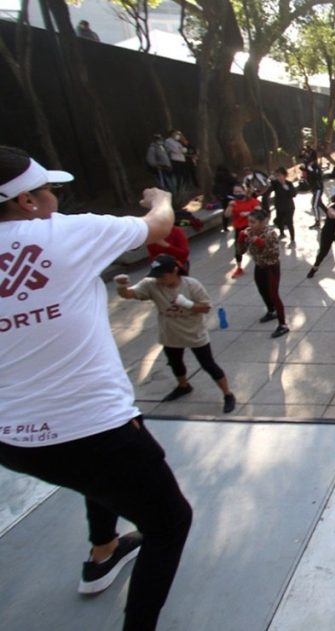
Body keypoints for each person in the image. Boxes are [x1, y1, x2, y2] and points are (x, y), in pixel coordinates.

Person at [0, 147, 191, 631]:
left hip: (12, 440)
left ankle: (103, 553)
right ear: (26, 201)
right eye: (49, 191)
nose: (55, 198)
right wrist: (160, 195)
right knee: (169, 523)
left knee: (99, 480)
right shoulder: (66, 234)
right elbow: (158, 226)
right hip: (95, 430)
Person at [115, 255, 236, 413]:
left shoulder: (191, 285)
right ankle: (183, 386)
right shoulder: (151, 284)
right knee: (175, 363)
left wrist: (187, 304)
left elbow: (206, 307)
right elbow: (129, 294)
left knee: (208, 364)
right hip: (170, 333)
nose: (159, 280)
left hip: (194, 332)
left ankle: (228, 394)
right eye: (156, 276)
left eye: (162, 276)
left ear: (174, 271)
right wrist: (121, 286)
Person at [241, 209, 289, 338]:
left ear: (262, 222)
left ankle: (283, 324)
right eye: (249, 221)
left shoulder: (270, 233)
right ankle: (271, 311)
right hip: (259, 266)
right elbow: (240, 251)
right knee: (262, 290)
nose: (250, 225)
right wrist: (241, 241)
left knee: (274, 294)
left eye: (253, 222)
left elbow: (273, 253)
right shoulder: (249, 232)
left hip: (271, 267)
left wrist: (258, 242)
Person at [225, 184, 260, 278]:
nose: (237, 194)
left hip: (252, 228)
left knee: (256, 247)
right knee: (238, 249)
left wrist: (248, 213)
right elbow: (226, 215)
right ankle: (239, 268)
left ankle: (262, 264)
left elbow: (259, 210)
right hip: (239, 229)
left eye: (239, 191)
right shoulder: (233, 203)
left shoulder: (252, 201)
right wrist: (229, 206)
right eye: (235, 192)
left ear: (244, 191)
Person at [269, 167, 296, 243]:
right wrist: (272, 178)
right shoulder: (275, 184)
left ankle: (292, 239)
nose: (279, 177)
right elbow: (270, 181)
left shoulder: (289, 184)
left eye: (280, 175)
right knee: (279, 221)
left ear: (284, 175)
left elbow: (293, 194)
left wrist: (285, 186)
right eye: (277, 175)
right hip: (279, 206)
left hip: (289, 207)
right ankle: (282, 233)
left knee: (289, 222)